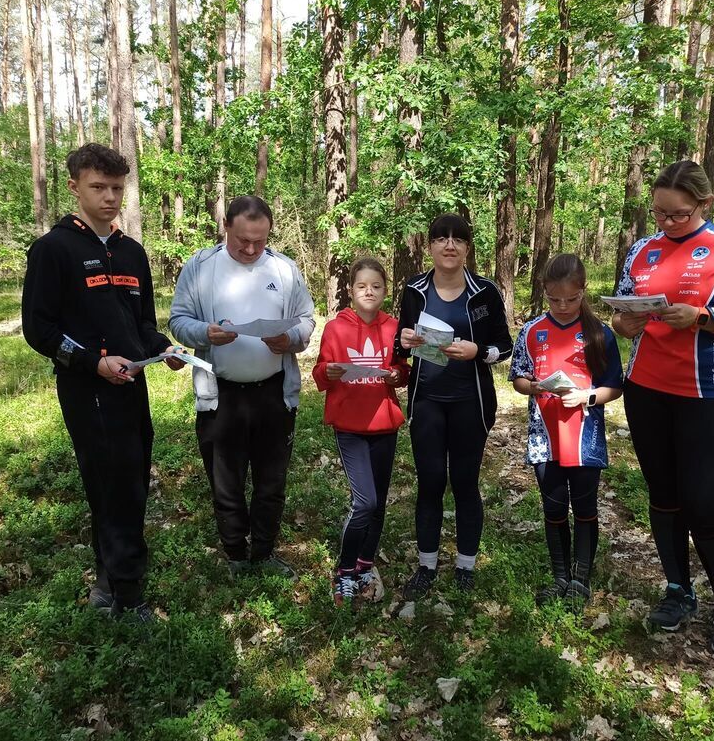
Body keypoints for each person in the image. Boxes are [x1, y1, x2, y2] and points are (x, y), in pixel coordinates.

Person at [612, 160, 714, 656]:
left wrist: (702, 318)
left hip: (709, 393)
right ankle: (679, 591)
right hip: (646, 388)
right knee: (663, 495)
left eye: (677, 215)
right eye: (658, 213)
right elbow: (621, 316)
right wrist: (626, 325)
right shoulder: (642, 249)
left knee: (701, 501)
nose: (665, 223)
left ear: (704, 205)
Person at [21, 143, 185, 623]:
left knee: (127, 480)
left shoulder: (132, 253)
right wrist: (93, 363)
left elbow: (142, 324)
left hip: (132, 386)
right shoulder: (54, 250)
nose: (110, 197)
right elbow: (40, 330)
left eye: (117, 188)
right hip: (88, 390)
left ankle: (107, 581)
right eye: (99, 187)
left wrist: (163, 348)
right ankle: (129, 599)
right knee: (116, 486)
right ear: (75, 187)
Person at [169, 196, 316, 579]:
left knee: (271, 480)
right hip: (222, 395)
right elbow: (179, 320)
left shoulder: (283, 269)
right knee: (226, 481)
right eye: (242, 241)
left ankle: (264, 552)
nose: (251, 249)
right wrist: (204, 332)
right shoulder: (201, 267)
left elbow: (305, 319)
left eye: (260, 241)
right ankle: (236, 554)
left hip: (273, 391)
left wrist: (292, 339)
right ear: (226, 227)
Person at [395, 213, 513, 598]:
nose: (449, 245)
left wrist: (479, 351)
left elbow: (505, 346)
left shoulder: (485, 292)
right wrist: (406, 341)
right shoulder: (414, 289)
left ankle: (465, 567)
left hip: (470, 404)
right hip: (427, 401)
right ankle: (426, 566)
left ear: (467, 247)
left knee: (464, 483)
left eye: (457, 239)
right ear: (429, 246)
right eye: (441, 239)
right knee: (429, 483)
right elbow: (401, 340)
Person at [509, 254, 623, 608]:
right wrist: (536, 387)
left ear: (583, 292)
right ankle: (560, 577)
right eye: (554, 299)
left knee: (585, 507)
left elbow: (614, 387)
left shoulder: (600, 333)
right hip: (545, 438)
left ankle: (580, 580)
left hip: (585, 438)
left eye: (571, 299)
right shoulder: (531, 331)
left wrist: (587, 396)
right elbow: (518, 378)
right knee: (554, 507)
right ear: (544, 291)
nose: (562, 306)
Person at [312, 258, 410, 606]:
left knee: (379, 503)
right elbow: (320, 374)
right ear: (351, 291)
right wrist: (330, 372)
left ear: (386, 290)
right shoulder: (336, 329)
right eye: (361, 286)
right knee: (364, 502)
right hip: (350, 425)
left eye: (377, 286)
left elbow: (401, 369)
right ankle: (344, 571)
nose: (369, 292)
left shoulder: (395, 327)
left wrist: (399, 375)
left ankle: (366, 566)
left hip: (384, 424)